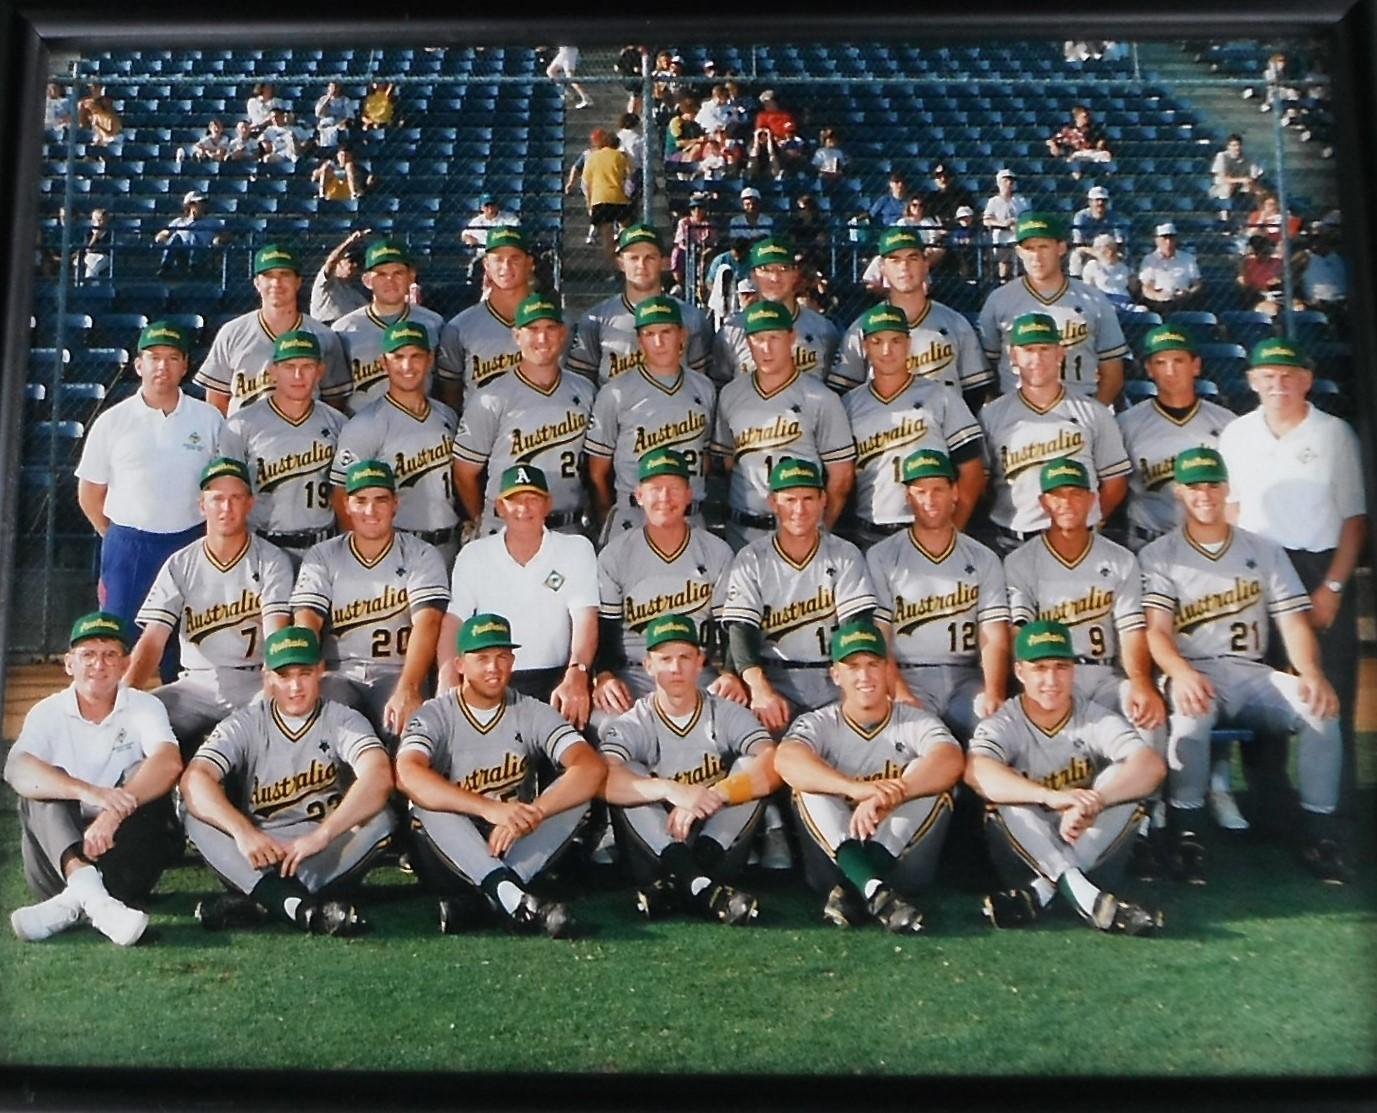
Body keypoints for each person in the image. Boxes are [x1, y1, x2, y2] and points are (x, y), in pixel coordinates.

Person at [1139, 448, 1349, 884]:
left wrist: (1309, 671)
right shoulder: (1159, 555)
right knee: (1190, 719)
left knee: (1320, 710)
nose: (1205, 494)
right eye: (1194, 485)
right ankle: (1187, 830)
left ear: (1226, 488)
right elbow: (1156, 632)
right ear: (1179, 491)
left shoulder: (1263, 550)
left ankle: (1319, 831)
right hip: (1195, 669)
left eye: (1213, 483)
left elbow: (1292, 622)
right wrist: (1178, 672)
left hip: (1252, 673)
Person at [1217, 338, 1367, 841]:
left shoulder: (1333, 433)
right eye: (1267, 374)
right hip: (1258, 570)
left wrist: (1333, 587)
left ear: (1307, 378)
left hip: (1317, 568)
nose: (1278, 383)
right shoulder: (1236, 435)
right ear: (1252, 380)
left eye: (1288, 374)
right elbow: (1231, 511)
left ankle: (1331, 819)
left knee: (1326, 696)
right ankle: (1272, 810)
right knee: (1265, 692)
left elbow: (1353, 520)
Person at [396, 612, 607, 937]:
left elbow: (591, 767)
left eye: (502, 657)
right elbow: (407, 773)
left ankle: (491, 901)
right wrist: (489, 808)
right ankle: (513, 898)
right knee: (426, 803)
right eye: (482, 658)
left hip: (514, 841)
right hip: (451, 850)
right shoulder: (435, 713)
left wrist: (535, 812)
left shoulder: (531, 710)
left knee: (574, 800)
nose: (494, 667)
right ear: (459, 665)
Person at [180, 626, 395, 936]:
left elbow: (378, 776)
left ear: (320, 670)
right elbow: (195, 779)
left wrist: (322, 835)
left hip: (320, 852)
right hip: (258, 853)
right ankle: (304, 907)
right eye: (284, 675)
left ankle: (266, 901)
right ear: (267, 675)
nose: (295, 686)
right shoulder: (246, 722)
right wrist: (243, 832)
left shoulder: (343, 718)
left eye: (304, 673)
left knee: (382, 816)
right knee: (194, 814)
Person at [964, 619, 1165, 934]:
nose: (1051, 679)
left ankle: (1041, 893)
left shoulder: (1093, 716)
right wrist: (1049, 796)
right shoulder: (1005, 720)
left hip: (1086, 842)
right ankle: (1090, 901)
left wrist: (1094, 802)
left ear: (1074, 670)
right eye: (1040, 668)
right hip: (1025, 853)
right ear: (1020, 672)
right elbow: (977, 772)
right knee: (1006, 801)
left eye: (1061, 666)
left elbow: (1151, 765)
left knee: (1123, 784)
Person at [775, 619, 963, 933]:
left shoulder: (914, 719)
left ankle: (862, 888)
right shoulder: (821, 721)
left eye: (873, 664)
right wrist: (856, 789)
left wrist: (895, 793)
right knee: (807, 789)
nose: (864, 676)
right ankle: (876, 893)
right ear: (836, 674)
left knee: (932, 783)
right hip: (833, 862)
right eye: (853, 666)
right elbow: (786, 759)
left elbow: (951, 759)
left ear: (889, 669)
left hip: (902, 863)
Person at [7, 612, 182, 947]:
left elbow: (168, 762)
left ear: (125, 664)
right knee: (41, 786)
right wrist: (90, 792)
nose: (98, 665)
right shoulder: (47, 711)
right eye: (88, 654)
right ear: (69, 663)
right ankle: (93, 896)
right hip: (56, 863)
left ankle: (74, 904)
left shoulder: (145, 706)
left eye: (110, 654)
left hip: (123, 857)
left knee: (142, 775)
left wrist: (111, 814)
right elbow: (16, 768)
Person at [600, 614, 776, 923]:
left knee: (750, 767)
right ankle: (702, 888)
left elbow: (774, 763)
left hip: (716, 842)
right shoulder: (634, 721)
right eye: (665, 658)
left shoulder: (725, 712)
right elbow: (602, 779)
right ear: (648, 665)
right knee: (627, 771)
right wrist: (672, 789)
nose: (675, 668)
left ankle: (679, 885)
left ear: (700, 661)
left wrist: (717, 794)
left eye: (684, 657)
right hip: (656, 846)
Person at [75, 322, 225, 683]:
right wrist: (117, 536)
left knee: (188, 642)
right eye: (154, 358)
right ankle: (112, 727)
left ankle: (183, 727)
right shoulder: (113, 421)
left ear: (185, 366)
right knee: (118, 640)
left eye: (172, 358)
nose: (163, 367)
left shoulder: (208, 419)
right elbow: (90, 493)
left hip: (190, 543)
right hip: (129, 547)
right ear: (139, 365)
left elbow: (224, 484)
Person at [122, 457, 293, 760]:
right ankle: (153, 806)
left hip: (253, 682)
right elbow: (152, 641)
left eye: (235, 498)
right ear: (202, 505)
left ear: (249, 504)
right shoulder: (181, 563)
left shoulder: (271, 560)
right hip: (194, 685)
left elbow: (276, 635)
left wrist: (272, 690)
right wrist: (123, 698)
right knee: (134, 727)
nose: (226, 508)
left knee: (279, 732)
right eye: (217, 499)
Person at [1004, 458, 1166, 754]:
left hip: (1105, 675)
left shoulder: (1120, 560)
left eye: (1076, 494)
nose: (1067, 503)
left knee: (1147, 712)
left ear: (1092, 500)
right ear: (1044, 502)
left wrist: (1141, 682)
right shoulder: (1020, 562)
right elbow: (1019, 633)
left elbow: (1131, 630)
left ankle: (1149, 800)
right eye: (1058, 495)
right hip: (1053, 676)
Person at [291, 460, 449, 743]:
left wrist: (409, 688)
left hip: (397, 671)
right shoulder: (323, 555)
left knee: (411, 734)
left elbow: (429, 622)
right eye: (361, 501)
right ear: (347, 505)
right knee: (321, 729)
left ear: (395, 503)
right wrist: (306, 671)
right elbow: (307, 619)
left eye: (380, 500)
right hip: (340, 673)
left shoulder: (420, 554)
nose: (370, 510)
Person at [721, 457, 877, 732]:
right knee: (753, 751)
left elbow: (856, 628)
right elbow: (741, 630)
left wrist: (850, 688)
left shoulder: (844, 554)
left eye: (808, 499)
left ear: (823, 500)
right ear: (773, 503)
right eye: (790, 500)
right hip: (775, 677)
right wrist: (760, 689)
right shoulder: (753, 557)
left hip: (831, 677)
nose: (799, 509)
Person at [866, 449, 1009, 742]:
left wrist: (994, 693)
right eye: (920, 492)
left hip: (966, 679)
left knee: (997, 733)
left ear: (955, 492)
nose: (929, 501)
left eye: (938, 490)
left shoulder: (983, 557)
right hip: (909, 676)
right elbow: (878, 636)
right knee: (914, 741)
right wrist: (901, 691)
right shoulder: (882, 555)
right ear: (908, 496)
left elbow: (994, 635)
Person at [439, 466, 598, 722]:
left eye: (532, 499)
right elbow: (454, 621)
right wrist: (447, 676)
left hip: (556, 679)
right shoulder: (474, 555)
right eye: (514, 500)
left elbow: (585, 618)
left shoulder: (576, 549)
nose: (523, 509)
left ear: (548, 505)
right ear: (500, 507)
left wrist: (577, 672)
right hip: (492, 680)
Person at [593, 447, 741, 714]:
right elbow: (605, 628)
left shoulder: (716, 551)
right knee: (610, 732)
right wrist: (604, 675)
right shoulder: (616, 554)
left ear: (688, 494)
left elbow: (729, 625)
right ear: (639, 495)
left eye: (674, 488)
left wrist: (730, 672)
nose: (664, 497)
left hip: (697, 675)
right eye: (655, 488)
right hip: (633, 675)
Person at [976, 312, 1131, 555]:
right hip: (1013, 542)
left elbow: (1115, 482)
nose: (1037, 358)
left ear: (1060, 353)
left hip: (1079, 542)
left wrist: (1088, 522)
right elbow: (981, 483)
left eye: (1045, 349)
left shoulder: (1094, 412)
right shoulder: (991, 415)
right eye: (1028, 350)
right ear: (1013, 356)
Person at [710, 301, 856, 551]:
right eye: (758, 338)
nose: (766, 348)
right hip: (742, 531)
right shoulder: (730, 394)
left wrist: (820, 529)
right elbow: (727, 462)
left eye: (774, 338)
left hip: (802, 533)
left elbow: (841, 478)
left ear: (792, 338)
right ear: (748, 342)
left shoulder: (821, 398)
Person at [838, 305, 985, 548]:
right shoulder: (849, 404)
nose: (887, 351)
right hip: (870, 531)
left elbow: (972, 473)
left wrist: (953, 533)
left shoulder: (940, 397)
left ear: (908, 344)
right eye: (877, 341)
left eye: (896, 341)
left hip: (931, 529)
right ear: (865, 347)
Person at [451, 295, 592, 539]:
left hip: (566, 526)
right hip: (506, 527)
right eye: (533, 329)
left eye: (550, 329)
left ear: (563, 334)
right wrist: (482, 518)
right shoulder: (491, 398)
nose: (542, 338)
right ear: (517, 336)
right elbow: (465, 472)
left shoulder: (585, 390)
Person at [585, 298, 717, 541]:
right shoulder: (616, 392)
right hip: (634, 515)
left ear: (682, 335)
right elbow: (597, 471)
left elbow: (705, 458)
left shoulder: (704, 388)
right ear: (639, 340)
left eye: (666, 332)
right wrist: (607, 512)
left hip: (691, 516)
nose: (659, 342)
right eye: (649, 333)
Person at [330, 321, 460, 563]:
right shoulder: (365, 424)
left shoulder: (447, 416)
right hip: (397, 548)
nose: (407, 366)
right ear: (383, 362)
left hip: (449, 543)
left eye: (416, 356)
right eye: (398, 357)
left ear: (430, 359)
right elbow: (342, 497)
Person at [220, 330, 347, 570]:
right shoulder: (240, 426)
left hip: (322, 548)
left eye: (307, 366)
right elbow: (228, 496)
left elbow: (345, 494)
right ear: (273, 371)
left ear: (320, 371)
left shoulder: (338, 423)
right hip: (262, 547)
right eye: (289, 366)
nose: (298, 375)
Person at [977, 212, 1128, 404]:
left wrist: (1094, 415)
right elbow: (986, 370)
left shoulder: (1094, 299)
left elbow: (1113, 372)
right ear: (1019, 252)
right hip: (1018, 410)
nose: (1036, 256)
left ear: (1061, 248)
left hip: (1080, 405)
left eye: (1044, 247)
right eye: (1029, 248)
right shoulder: (1000, 300)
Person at [828, 227, 992, 397]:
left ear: (925, 264)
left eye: (912, 258)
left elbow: (976, 389)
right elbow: (843, 390)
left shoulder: (956, 323)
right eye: (895, 260)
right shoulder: (862, 327)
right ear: (882, 268)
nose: (904, 267)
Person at [195, 243, 352, 416]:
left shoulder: (323, 335)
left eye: (285, 275)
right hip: (246, 437)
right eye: (268, 276)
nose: (276, 283)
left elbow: (334, 401)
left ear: (298, 282)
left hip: (303, 437)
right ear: (256, 283)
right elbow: (216, 399)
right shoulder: (232, 333)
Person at [1116, 325, 1235, 553]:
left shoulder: (1227, 422)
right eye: (1160, 363)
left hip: (1212, 542)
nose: (1170, 371)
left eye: (1178, 361)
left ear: (1196, 365)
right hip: (1149, 542)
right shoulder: (1127, 424)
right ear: (1149, 369)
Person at [566, 224, 714, 387]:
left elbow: (701, 385)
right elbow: (581, 387)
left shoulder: (691, 317)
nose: (641, 265)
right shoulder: (596, 320)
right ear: (621, 263)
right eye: (634, 258)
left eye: (650, 257)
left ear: (663, 262)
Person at [331, 239, 446, 413]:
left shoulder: (433, 323)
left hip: (418, 424)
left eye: (398, 273)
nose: (390, 280)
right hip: (362, 427)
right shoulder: (344, 329)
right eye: (381, 274)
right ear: (367, 280)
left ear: (411, 276)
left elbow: (442, 384)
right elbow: (335, 395)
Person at [711, 236, 841, 385]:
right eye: (765, 269)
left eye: (783, 269)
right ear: (753, 275)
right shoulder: (731, 333)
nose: (775, 277)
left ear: (795, 274)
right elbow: (719, 390)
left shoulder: (824, 330)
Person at [435, 226, 536, 408]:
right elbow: (451, 394)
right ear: (486, 265)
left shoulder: (557, 324)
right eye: (498, 260)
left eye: (515, 258)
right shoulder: (459, 327)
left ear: (529, 263)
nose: (506, 267)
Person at [582, 129, 634, 265]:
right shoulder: (620, 156)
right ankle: (623, 247)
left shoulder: (593, 157)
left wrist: (589, 203)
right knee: (626, 226)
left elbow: (587, 183)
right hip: (618, 196)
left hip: (600, 198)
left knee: (607, 236)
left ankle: (612, 267)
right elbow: (628, 175)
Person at [153, 191, 228, 277]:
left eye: (204, 203)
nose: (202, 205)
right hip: (182, 251)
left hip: (203, 250)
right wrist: (164, 239)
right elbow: (162, 234)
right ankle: (165, 267)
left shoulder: (212, 222)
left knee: (194, 237)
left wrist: (218, 239)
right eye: (199, 203)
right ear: (190, 205)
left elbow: (226, 234)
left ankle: (194, 266)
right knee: (175, 237)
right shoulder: (179, 221)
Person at [1137, 222, 1203, 315]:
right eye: (1164, 238)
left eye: (1171, 238)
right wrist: (1157, 296)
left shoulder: (1188, 258)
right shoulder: (1149, 260)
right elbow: (1147, 286)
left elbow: (1197, 284)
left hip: (1183, 300)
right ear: (1157, 240)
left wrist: (1189, 293)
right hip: (1158, 302)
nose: (1168, 242)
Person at [309, 230, 369, 325]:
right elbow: (331, 261)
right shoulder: (326, 282)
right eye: (351, 260)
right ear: (339, 263)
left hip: (346, 330)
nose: (355, 265)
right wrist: (349, 242)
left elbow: (369, 311)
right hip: (325, 327)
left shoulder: (353, 293)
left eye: (357, 261)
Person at [981, 169, 1030, 282]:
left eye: (1011, 181)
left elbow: (1027, 216)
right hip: (1001, 237)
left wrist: (1017, 222)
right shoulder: (993, 201)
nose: (1009, 183)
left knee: (1021, 264)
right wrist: (1002, 224)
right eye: (1006, 180)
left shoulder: (1020, 200)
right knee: (1004, 265)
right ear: (999, 183)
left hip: (1018, 235)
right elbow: (986, 220)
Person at [1069, 186, 1126, 277]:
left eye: (1104, 200)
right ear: (1090, 202)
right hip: (1087, 248)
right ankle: (1076, 279)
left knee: (1122, 256)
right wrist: (1096, 253)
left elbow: (1119, 241)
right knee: (1076, 255)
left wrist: (1112, 252)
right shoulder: (1081, 216)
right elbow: (1078, 243)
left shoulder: (1114, 216)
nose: (1100, 203)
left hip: (1108, 249)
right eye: (1097, 200)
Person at [1045, 103, 1112, 168]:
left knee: (1106, 155)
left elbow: (1101, 142)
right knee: (1074, 157)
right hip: (1077, 154)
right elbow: (1052, 141)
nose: (1087, 118)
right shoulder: (1068, 130)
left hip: (1091, 153)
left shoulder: (1094, 129)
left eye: (1088, 116)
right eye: (1085, 116)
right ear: (1077, 117)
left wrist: (1100, 145)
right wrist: (1053, 145)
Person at [1209, 133, 1261, 214]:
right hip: (1220, 187)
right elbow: (1223, 178)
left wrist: (1249, 182)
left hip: (1241, 186)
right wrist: (1242, 179)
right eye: (1233, 145)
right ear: (1228, 147)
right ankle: (1224, 213)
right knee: (1228, 187)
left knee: (1258, 190)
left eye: (1238, 145)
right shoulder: (1222, 156)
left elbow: (1254, 176)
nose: (1237, 148)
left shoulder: (1248, 158)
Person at [1079, 234, 1134, 309]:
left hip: (1124, 301)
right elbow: (1087, 289)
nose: (1109, 252)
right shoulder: (1093, 265)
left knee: (1143, 310)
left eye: (1111, 248)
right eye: (1098, 248)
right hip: (1104, 302)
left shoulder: (1123, 267)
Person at [923, 164, 977, 229]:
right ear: (934, 179)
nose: (943, 179)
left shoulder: (961, 194)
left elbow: (967, 216)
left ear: (951, 178)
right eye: (939, 176)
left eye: (946, 176)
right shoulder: (931, 197)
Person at [547, 45, 593, 110]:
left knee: (570, 78)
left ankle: (586, 99)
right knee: (551, 71)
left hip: (569, 50)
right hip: (563, 50)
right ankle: (566, 92)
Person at [74, 207, 112, 282]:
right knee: (79, 263)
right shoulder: (89, 234)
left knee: (93, 267)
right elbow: (87, 248)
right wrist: (95, 237)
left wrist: (98, 236)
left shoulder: (109, 234)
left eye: (100, 220)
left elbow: (106, 250)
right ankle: (80, 284)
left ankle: (90, 286)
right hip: (90, 255)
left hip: (103, 256)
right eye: (94, 220)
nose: (97, 223)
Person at [313, 81, 354, 149]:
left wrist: (338, 124)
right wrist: (328, 98)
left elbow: (350, 116)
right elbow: (318, 114)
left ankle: (332, 148)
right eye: (332, 87)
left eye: (336, 87)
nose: (334, 89)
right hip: (325, 123)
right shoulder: (323, 99)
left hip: (339, 123)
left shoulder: (345, 100)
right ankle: (324, 148)